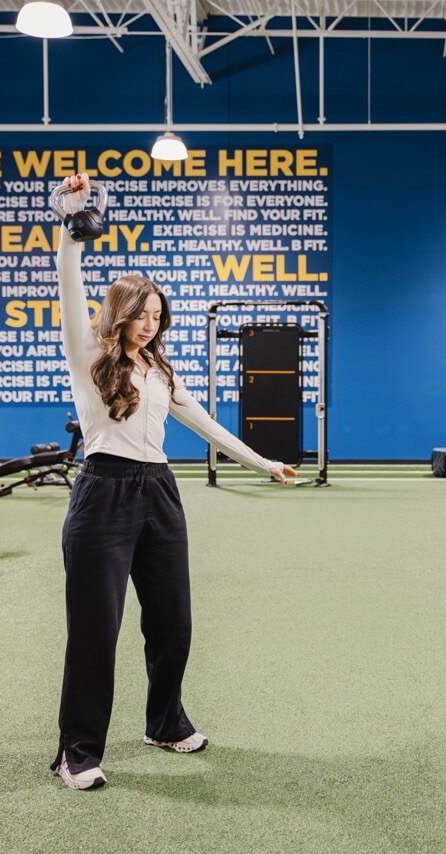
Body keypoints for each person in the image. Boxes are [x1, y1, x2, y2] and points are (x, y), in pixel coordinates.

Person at [50, 173, 296, 791]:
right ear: (120, 313)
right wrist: (69, 229)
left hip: (159, 494)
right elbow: (68, 284)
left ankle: (163, 721)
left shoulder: (159, 368)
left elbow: (206, 423)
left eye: (158, 316)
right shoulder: (87, 354)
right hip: (103, 494)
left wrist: (263, 463)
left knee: (173, 623)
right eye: (141, 315)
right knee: (95, 631)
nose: (149, 325)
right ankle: (78, 751)